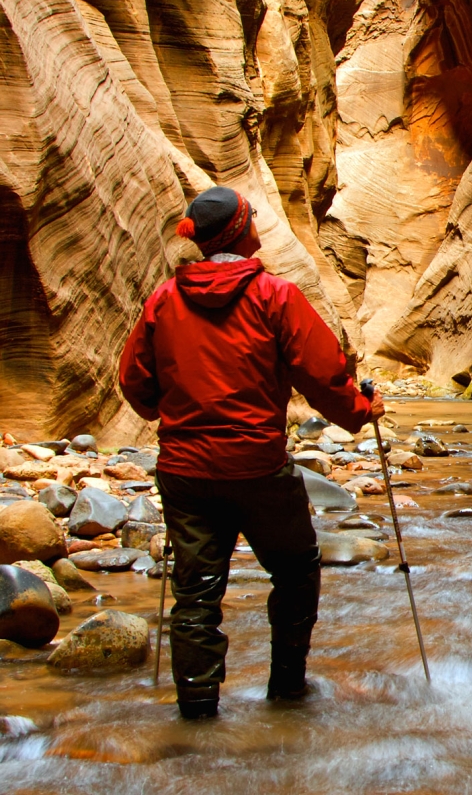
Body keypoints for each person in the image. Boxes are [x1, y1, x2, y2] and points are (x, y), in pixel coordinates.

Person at [119, 186, 383, 720]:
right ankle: (286, 689)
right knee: (296, 568)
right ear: (241, 231)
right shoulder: (275, 296)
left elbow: (135, 381)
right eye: (253, 217)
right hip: (258, 468)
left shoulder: (163, 300)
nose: (259, 223)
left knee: (196, 593)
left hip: (186, 474)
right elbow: (322, 373)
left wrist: (162, 413)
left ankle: (196, 712)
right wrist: (360, 410)